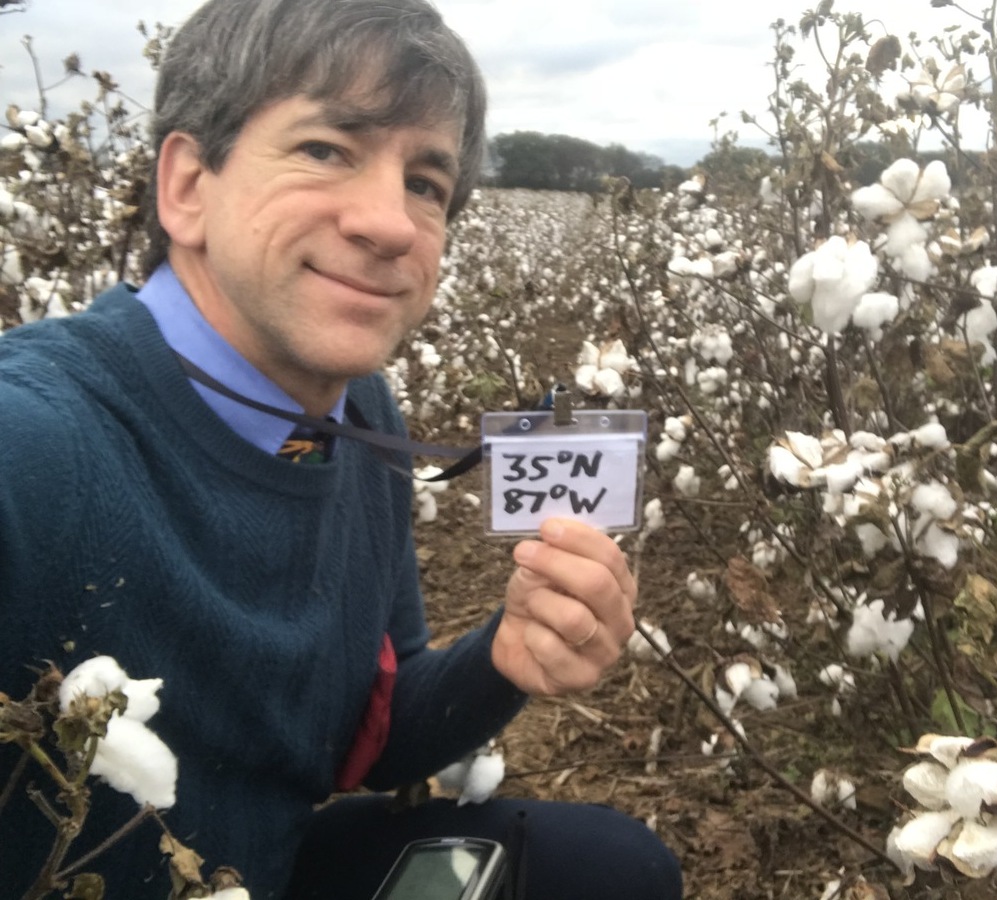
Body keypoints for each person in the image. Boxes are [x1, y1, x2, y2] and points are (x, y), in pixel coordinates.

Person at [0, 0, 683, 897]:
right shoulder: (43, 443)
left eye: (426, 184)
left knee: (616, 873)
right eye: (326, 149)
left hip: (268, 870)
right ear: (189, 186)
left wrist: (505, 657)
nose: (390, 222)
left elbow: (370, 734)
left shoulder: (359, 413)